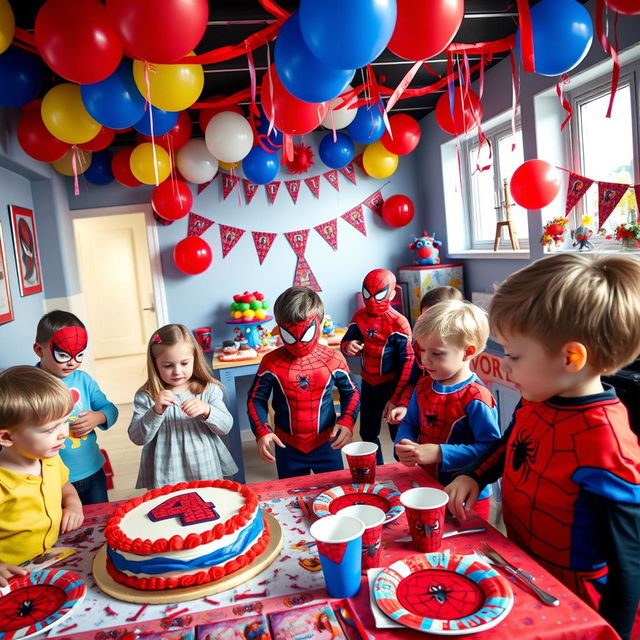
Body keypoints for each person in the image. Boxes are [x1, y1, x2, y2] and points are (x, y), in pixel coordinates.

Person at [445, 253, 640, 640]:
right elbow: (511, 443)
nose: (507, 366)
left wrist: (608, 632)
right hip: (525, 565)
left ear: (571, 357)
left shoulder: (608, 445)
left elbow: (629, 566)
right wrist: (473, 475)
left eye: (514, 355)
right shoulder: (538, 398)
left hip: (580, 603)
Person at [394, 300, 501, 520]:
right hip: (426, 485)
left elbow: (490, 449)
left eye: (437, 353)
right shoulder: (424, 385)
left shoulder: (477, 398)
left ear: (467, 352)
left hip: (467, 495)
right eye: (422, 350)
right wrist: (404, 444)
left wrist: (439, 452)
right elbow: (409, 424)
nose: (425, 359)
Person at [247, 287, 359, 479]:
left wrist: (347, 421)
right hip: (287, 446)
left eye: (305, 334)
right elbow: (255, 398)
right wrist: (262, 430)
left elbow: (352, 392)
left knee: (334, 493)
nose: (298, 342)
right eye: (290, 335)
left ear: (320, 324)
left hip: (327, 443)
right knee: (291, 499)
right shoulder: (271, 362)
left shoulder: (334, 359)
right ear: (279, 327)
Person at [0, 366, 84, 585]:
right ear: (7, 436)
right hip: (11, 577)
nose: (64, 433)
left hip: (50, 559)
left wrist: (73, 504)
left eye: (65, 421)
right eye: (50, 429)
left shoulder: (49, 458)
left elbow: (64, 485)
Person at [129, 324, 237, 489]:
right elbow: (137, 438)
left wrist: (207, 410)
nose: (177, 371)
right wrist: (155, 411)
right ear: (155, 363)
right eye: (168, 365)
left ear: (195, 358)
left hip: (204, 467)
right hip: (166, 473)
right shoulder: (147, 396)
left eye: (184, 363)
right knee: (170, 509)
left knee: (208, 504)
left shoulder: (208, 390)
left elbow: (226, 426)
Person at [34, 310, 118, 505]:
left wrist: (99, 417)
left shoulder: (84, 380)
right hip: (52, 477)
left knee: (98, 521)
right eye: (63, 355)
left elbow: (110, 409)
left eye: (79, 354)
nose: (73, 361)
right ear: (39, 350)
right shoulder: (32, 385)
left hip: (92, 469)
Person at [341, 269, 413, 463]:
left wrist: (397, 397)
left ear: (391, 294)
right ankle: (377, 471)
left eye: (378, 294)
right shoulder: (360, 316)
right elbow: (346, 341)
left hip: (392, 385)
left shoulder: (398, 323)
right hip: (368, 383)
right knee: (367, 431)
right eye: (367, 294)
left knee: (399, 435)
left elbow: (408, 363)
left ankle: (402, 472)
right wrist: (349, 346)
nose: (372, 299)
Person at [388, 286, 464, 423]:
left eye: (433, 321)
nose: (426, 359)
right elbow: (412, 382)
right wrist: (404, 405)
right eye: (424, 320)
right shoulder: (417, 346)